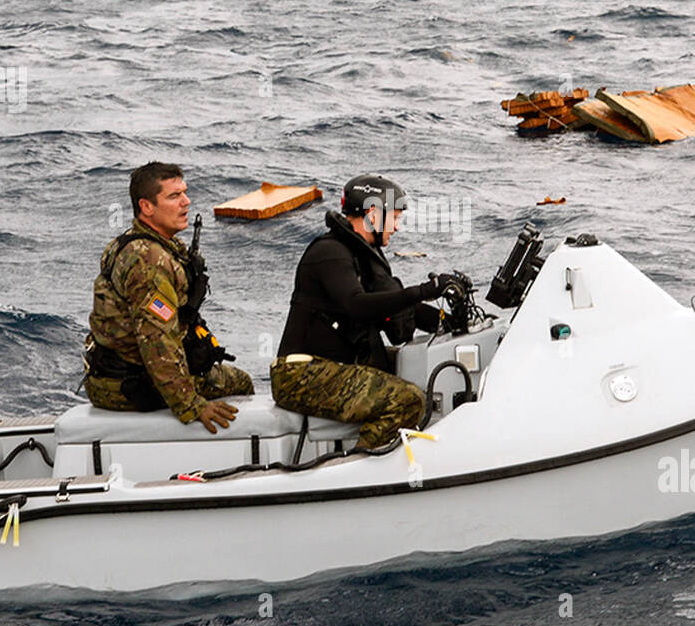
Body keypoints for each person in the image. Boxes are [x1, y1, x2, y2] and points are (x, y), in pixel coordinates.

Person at [271, 174, 458, 449]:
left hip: (335, 365)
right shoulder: (330, 253)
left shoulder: (360, 254)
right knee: (408, 399)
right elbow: (356, 305)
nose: (396, 226)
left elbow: (397, 306)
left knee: (422, 365)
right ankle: (362, 464)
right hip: (300, 375)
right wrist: (424, 289)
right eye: (394, 217)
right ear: (373, 214)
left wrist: (450, 322)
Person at [84, 162, 253, 432]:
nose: (186, 202)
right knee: (239, 382)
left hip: (113, 376)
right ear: (147, 207)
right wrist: (191, 406)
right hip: (129, 386)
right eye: (174, 196)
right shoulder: (149, 261)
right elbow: (155, 340)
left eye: (184, 193)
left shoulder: (135, 242)